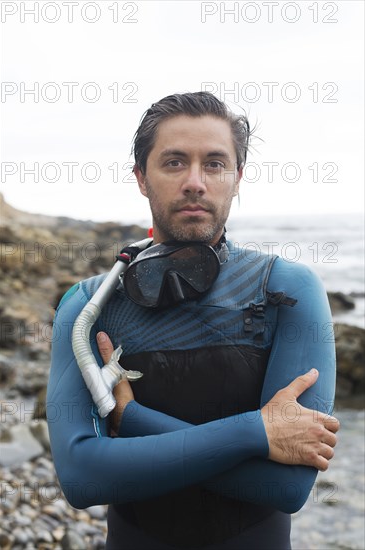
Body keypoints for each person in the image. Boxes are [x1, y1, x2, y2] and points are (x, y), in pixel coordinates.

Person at [47, 92, 339, 550]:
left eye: (215, 164)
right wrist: (256, 432)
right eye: (175, 162)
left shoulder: (287, 290)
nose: (195, 182)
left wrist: (134, 419)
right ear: (142, 178)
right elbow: (82, 478)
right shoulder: (90, 306)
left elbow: (284, 488)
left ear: (238, 178)